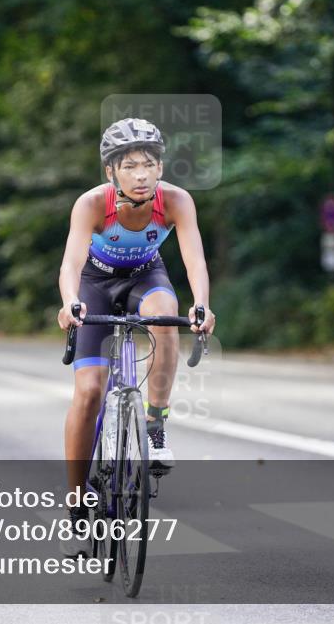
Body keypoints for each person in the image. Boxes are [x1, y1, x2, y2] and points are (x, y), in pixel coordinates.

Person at [55, 117, 216, 555]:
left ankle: (155, 424)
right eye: (129, 166)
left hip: (147, 276)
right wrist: (71, 302)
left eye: (149, 164)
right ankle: (75, 499)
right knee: (88, 392)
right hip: (96, 284)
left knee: (165, 316)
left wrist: (200, 304)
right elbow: (70, 264)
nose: (141, 174)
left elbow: (194, 260)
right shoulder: (91, 204)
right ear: (111, 172)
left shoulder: (177, 201)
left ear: (161, 167)